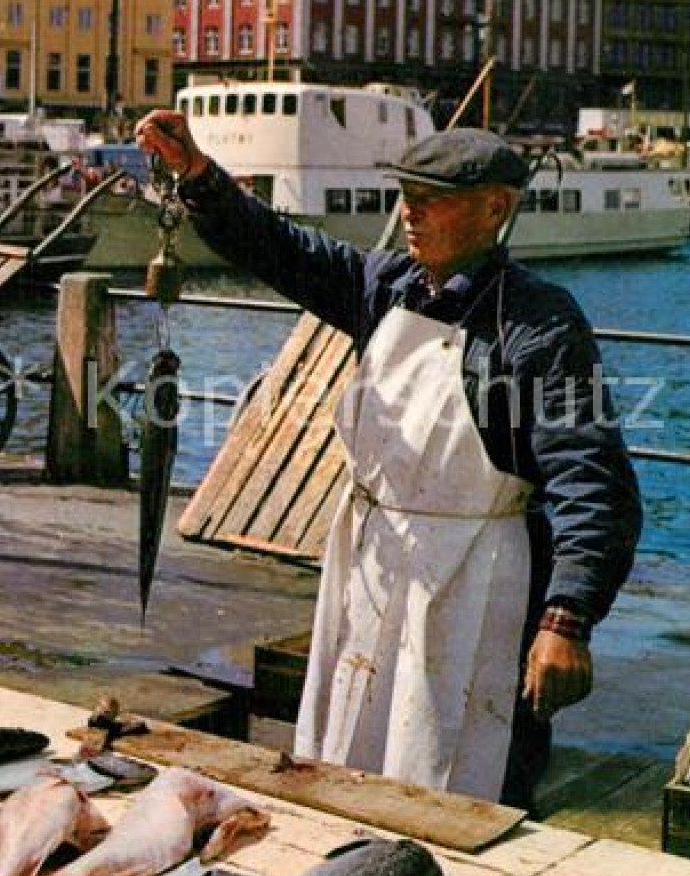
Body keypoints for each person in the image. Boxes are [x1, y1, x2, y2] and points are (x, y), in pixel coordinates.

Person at [135, 113, 641, 808]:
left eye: (430, 198)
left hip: (475, 577)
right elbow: (281, 249)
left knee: (462, 762)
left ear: (495, 208)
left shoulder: (542, 325)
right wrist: (199, 176)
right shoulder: (387, 285)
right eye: (406, 194)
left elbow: (595, 483)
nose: (410, 213)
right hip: (374, 560)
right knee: (351, 739)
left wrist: (567, 619)